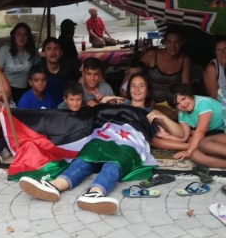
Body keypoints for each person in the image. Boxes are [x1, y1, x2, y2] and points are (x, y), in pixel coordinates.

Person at [18, 85, 153, 214]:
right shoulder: (115, 105)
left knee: (114, 162)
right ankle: (55, 185)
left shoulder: (150, 113)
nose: (137, 89)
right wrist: (103, 103)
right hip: (104, 138)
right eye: (133, 85)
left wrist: (162, 118)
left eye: (141, 86)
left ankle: (95, 193)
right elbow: (92, 114)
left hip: (128, 144)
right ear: (128, 89)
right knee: (87, 156)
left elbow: (160, 138)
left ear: (147, 89)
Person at [149, 84, 225, 157]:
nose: (183, 104)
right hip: (207, 130)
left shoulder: (203, 104)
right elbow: (184, 137)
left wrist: (189, 151)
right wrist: (168, 136)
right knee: (191, 139)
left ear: (190, 94)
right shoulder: (182, 112)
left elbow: (200, 131)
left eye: (183, 98)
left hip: (222, 129)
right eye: (178, 104)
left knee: (197, 140)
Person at [139, 28, 191, 106]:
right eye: (169, 42)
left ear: (181, 43)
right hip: (147, 101)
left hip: (171, 103)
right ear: (165, 42)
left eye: (176, 42)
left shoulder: (184, 60)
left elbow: (185, 87)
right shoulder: (152, 55)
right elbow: (133, 72)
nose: (173, 46)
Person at [0, 22, 40, 103]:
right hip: (7, 90)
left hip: (26, 91)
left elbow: (39, 70)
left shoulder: (32, 52)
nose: (21, 37)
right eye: (18, 34)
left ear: (28, 37)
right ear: (14, 35)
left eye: (25, 34)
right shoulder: (5, 50)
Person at [40, 37, 80, 105]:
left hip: (69, 106)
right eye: (49, 49)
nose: (53, 52)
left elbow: (88, 68)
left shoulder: (70, 65)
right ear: (43, 53)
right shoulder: (38, 70)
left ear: (61, 53)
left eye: (56, 49)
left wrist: (82, 79)